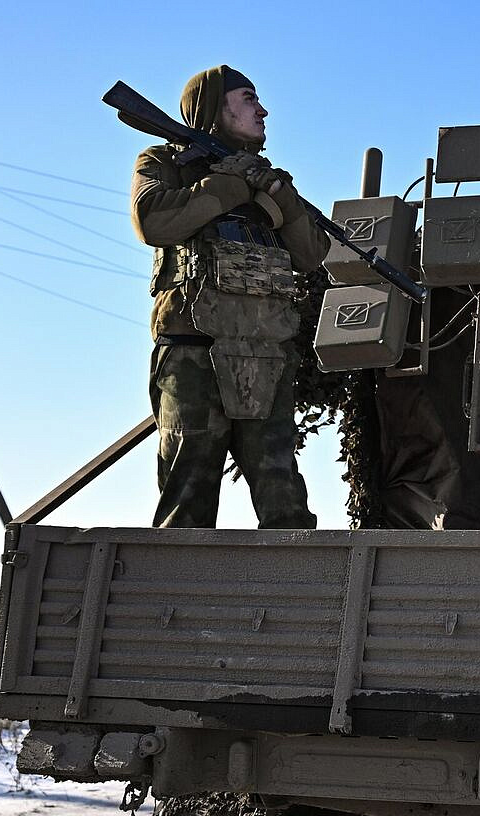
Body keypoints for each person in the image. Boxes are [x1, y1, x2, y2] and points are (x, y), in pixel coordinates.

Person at [131, 65, 327, 529]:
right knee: (188, 499)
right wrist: (232, 184)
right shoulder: (164, 163)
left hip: (265, 356)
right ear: (212, 107)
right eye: (247, 98)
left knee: (285, 502)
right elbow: (153, 222)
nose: (263, 110)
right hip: (193, 351)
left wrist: (278, 194)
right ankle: (175, 599)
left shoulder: (267, 179)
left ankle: (299, 595)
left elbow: (311, 253)